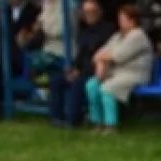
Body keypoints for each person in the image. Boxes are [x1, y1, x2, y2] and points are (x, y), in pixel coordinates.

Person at [84, 1, 150, 132]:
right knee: (91, 85)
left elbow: (119, 56)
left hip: (134, 75)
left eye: (123, 18)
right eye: (119, 18)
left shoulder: (138, 35)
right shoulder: (117, 36)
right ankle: (97, 122)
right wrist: (100, 60)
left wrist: (102, 58)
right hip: (115, 74)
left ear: (132, 21)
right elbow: (99, 53)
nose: (120, 21)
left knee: (107, 88)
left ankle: (111, 125)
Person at [51, 0, 109, 126]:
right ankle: (56, 117)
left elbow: (102, 56)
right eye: (86, 12)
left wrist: (80, 72)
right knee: (57, 80)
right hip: (81, 70)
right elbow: (80, 56)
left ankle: (73, 120)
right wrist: (74, 69)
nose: (89, 15)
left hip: (98, 71)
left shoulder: (107, 30)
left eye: (92, 12)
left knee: (79, 82)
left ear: (99, 12)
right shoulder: (84, 31)